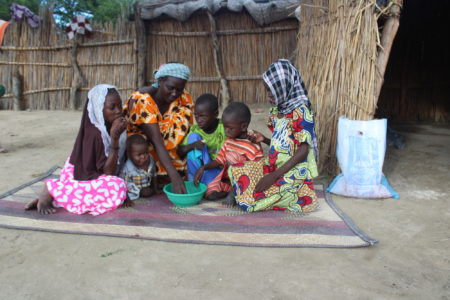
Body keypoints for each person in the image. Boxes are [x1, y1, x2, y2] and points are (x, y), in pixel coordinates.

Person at [228, 59, 319, 213]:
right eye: (267, 90)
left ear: (283, 86)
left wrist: (274, 176)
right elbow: (285, 146)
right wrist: (263, 139)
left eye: (271, 90)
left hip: (294, 171)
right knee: (238, 169)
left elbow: (303, 150)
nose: (268, 95)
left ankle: (300, 194)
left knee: (259, 195)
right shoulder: (279, 110)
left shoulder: (301, 111)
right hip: (275, 166)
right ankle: (246, 194)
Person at [25, 84, 128, 215]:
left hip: (90, 174)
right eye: (112, 107)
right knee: (116, 187)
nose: (118, 111)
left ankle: (57, 197)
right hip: (79, 175)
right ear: (99, 109)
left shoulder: (112, 124)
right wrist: (114, 139)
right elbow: (107, 173)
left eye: (119, 105)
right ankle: (51, 188)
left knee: (123, 183)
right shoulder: (96, 134)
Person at [124, 63, 193, 194]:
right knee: (144, 143)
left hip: (165, 147)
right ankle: (156, 177)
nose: (175, 93)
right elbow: (157, 141)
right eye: (171, 88)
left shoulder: (182, 97)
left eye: (179, 89)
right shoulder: (143, 101)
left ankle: (170, 174)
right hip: (145, 149)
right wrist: (175, 178)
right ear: (160, 81)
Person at [194, 102, 264, 200]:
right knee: (209, 192)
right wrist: (203, 168)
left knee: (233, 156)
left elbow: (258, 171)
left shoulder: (253, 146)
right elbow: (219, 160)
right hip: (228, 181)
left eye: (230, 128)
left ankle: (235, 192)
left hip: (246, 182)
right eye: (224, 127)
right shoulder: (228, 141)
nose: (226, 131)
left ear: (243, 126)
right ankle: (230, 192)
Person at [178, 93, 226, 190]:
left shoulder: (224, 128)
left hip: (217, 169)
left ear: (215, 114)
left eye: (203, 116)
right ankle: (194, 181)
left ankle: (209, 184)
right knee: (193, 137)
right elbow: (180, 151)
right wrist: (193, 145)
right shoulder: (195, 130)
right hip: (199, 170)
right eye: (196, 116)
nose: (198, 120)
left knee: (212, 192)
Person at [120, 134, 157, 202]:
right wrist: (126, 199)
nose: (143, 157)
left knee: (150, 192)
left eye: (146, 153)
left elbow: (154, 175)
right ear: (129, 155)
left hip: (146, 185)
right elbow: (123, 184)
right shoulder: (127, 168)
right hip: (133, 191)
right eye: (139, 155)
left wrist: (155, 188)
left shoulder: (150, 160)